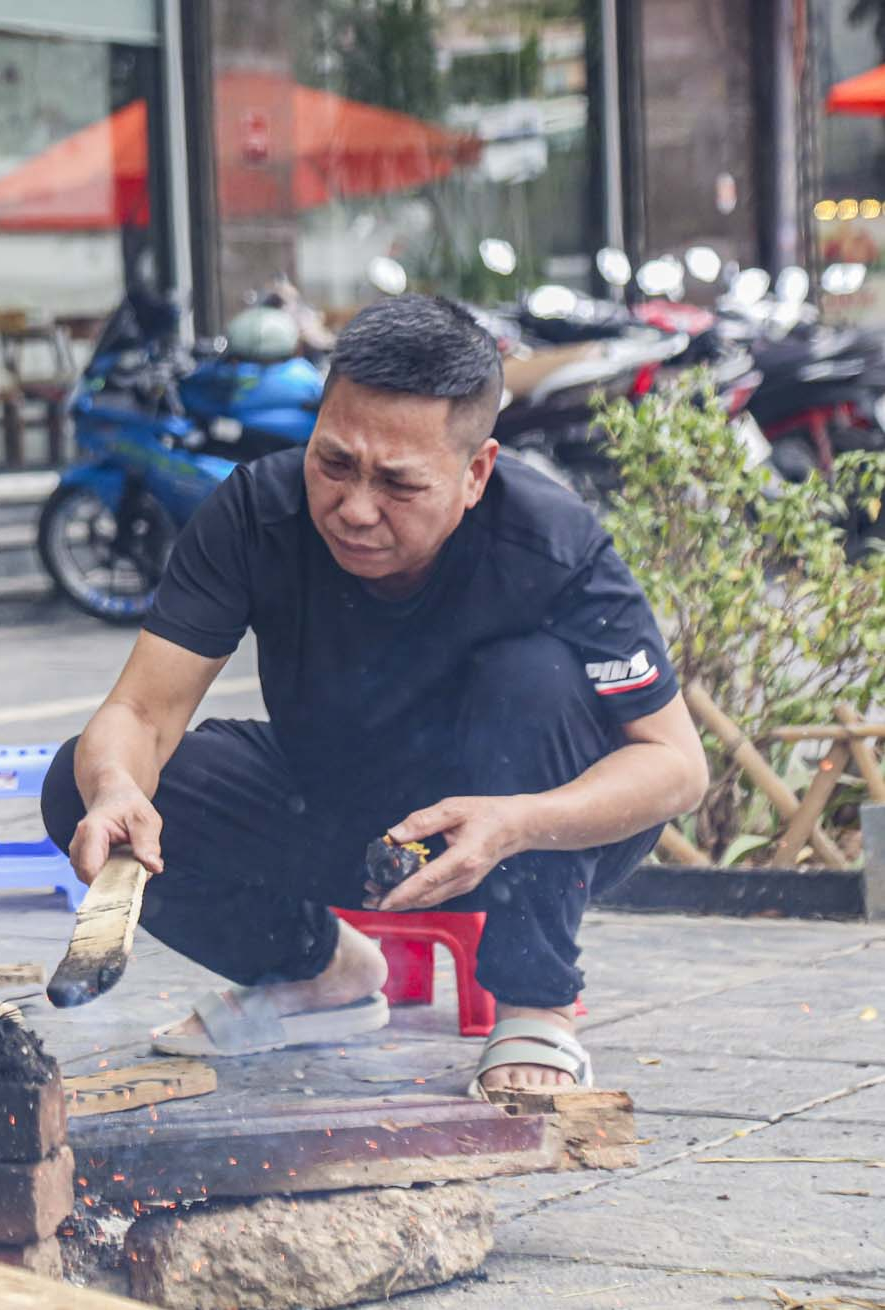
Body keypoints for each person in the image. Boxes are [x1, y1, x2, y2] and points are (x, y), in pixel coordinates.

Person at [41, 294, 709, 1094]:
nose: (355, 509)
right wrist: (116, 784)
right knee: (75, 784)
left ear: (476, 473)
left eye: (399, 483)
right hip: (336, 807)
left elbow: (675, 765)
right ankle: (320, 972)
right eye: (334, 463)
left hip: (526, 828)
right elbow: (141, 713)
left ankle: (538, 1005)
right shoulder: (257, 512)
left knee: (534, 677)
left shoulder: (550, 543)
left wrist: (517, 822)